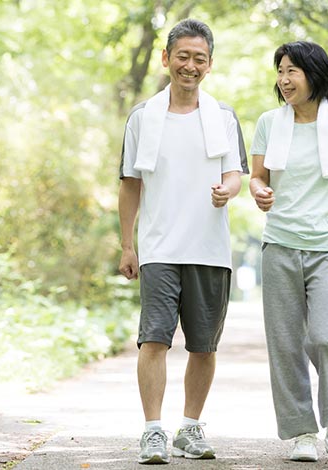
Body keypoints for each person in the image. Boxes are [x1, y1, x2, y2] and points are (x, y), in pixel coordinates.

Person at [118, 18, 247, 464]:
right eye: (182, 56)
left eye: (199, 58)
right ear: (166, 58)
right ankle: (153, 431)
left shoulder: (223, 116)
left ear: (209, 65)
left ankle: (190, 429)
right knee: (153, 340)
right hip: (158, 249)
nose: (189, 66)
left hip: (210, 250)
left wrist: (229, 189)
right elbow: (130, 183)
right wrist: (127, 244)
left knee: (203, 347)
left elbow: (236, 173)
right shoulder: (143, 116)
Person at [249, 41, 328, 462]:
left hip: (327, 245)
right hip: (280, 243)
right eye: (280, 71)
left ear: (315, 74)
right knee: (284, 342)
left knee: (325, 334)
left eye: (293, 71)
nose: (284, 80)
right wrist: (260, 191)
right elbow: (258, 176)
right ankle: (302, 431)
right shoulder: (269, 122)